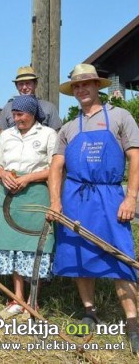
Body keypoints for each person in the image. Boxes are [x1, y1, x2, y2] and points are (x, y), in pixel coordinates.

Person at [48, 63, 139, 351]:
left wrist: (131, 197)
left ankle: (133, 321)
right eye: (76, 85)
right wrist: (55, 202)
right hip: (75, 197)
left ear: (97, 86)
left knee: (120, 257)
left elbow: (136, 158)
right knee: (80, 254)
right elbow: (56, 167)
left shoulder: (120, 117)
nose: (81, 89)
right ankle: (90, 312)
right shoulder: (69, 127)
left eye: (86, 83)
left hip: (111, 196)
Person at [0, 95, 57, 319]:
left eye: (21, 114)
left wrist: (29, 177)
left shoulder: (48, 134)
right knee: (12, 247)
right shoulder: (7, 136)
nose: (16, 118)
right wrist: (2, 174)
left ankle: (33, 300)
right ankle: (17, 298)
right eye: (14, 114)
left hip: (35, 193)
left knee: (34, 246)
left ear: (32, 113)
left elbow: (54, 168)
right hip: (9, 196)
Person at [0, 66, 63, 131]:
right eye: (21, 84)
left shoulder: (49, 107)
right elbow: (2, 133)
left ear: (35, 84)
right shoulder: (8, 108)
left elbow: (56, 134)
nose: (24, 87)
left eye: (28, 83)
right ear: (16, 86)